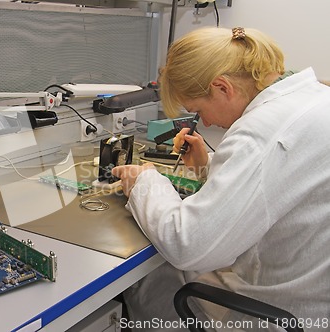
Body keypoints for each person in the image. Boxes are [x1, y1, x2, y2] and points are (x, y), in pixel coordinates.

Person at [112, 26, 330, 331]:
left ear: (222, 87)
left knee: (150, 278)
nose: (208, 122)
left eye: (199, 110)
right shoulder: (314, 97)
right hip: (310, 291)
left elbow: (187, 245)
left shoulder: (260, 132)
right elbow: (279, 179)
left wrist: (145, 181)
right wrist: (208, 167)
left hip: (278, 314)